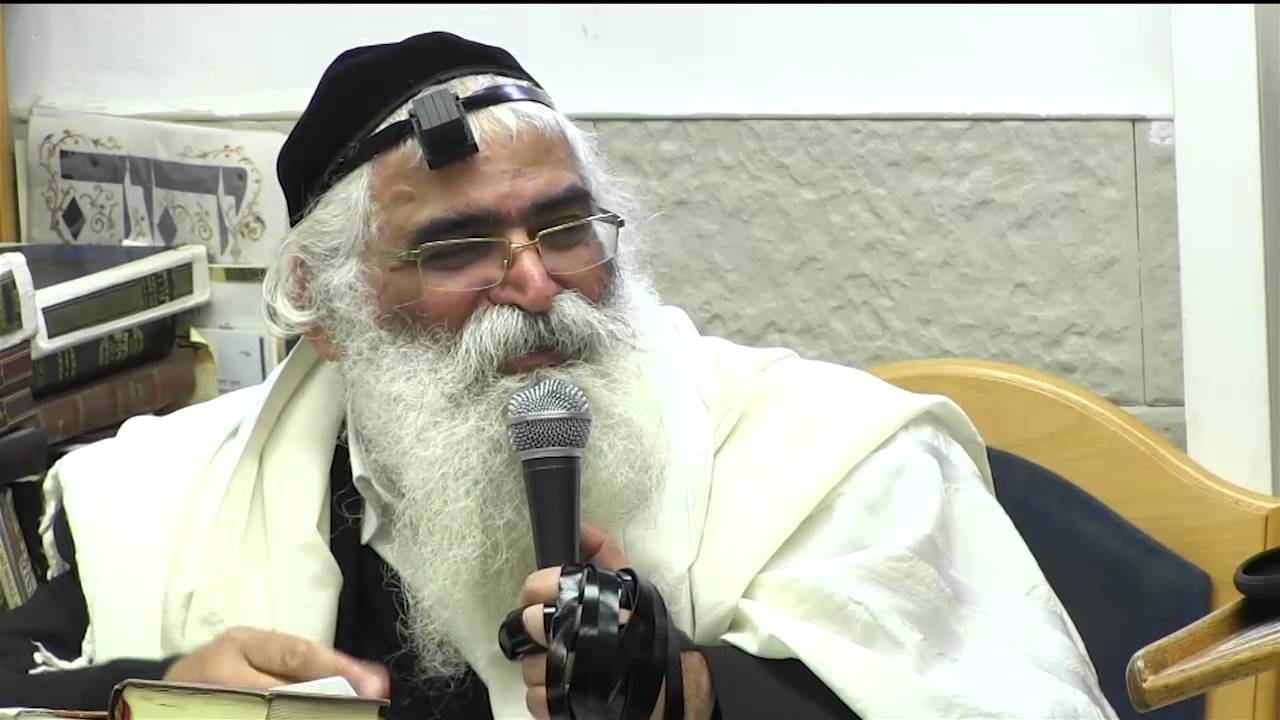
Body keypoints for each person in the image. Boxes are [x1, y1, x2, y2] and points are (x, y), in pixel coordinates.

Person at [0, 31, 1117, 719]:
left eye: (566, 227)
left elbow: (980, 695)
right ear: (329, 310)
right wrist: (152, 694)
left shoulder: (815, 454)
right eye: (457, 248)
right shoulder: (169, 494)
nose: (536, 284)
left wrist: (691, 692)